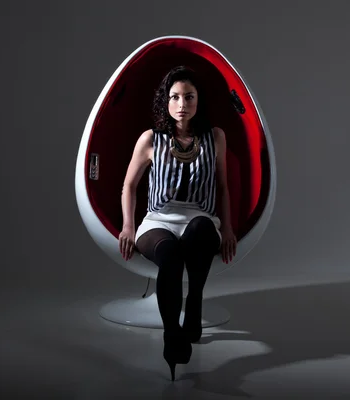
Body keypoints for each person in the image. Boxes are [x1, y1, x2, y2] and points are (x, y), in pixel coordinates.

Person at [118, 65, 237, 381]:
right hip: (158, 221)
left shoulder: (215, 138)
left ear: (198, 101)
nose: (182, 103)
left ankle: (194, 300)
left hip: (201, 218)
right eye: (175, 97)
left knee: (199, 231)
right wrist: (128, 226)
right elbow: (129, 185)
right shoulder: (151, 139)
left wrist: (227, 227)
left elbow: (223, 186)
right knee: (169, 253)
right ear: (165, 102)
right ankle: (173, 333)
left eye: (189, 96)